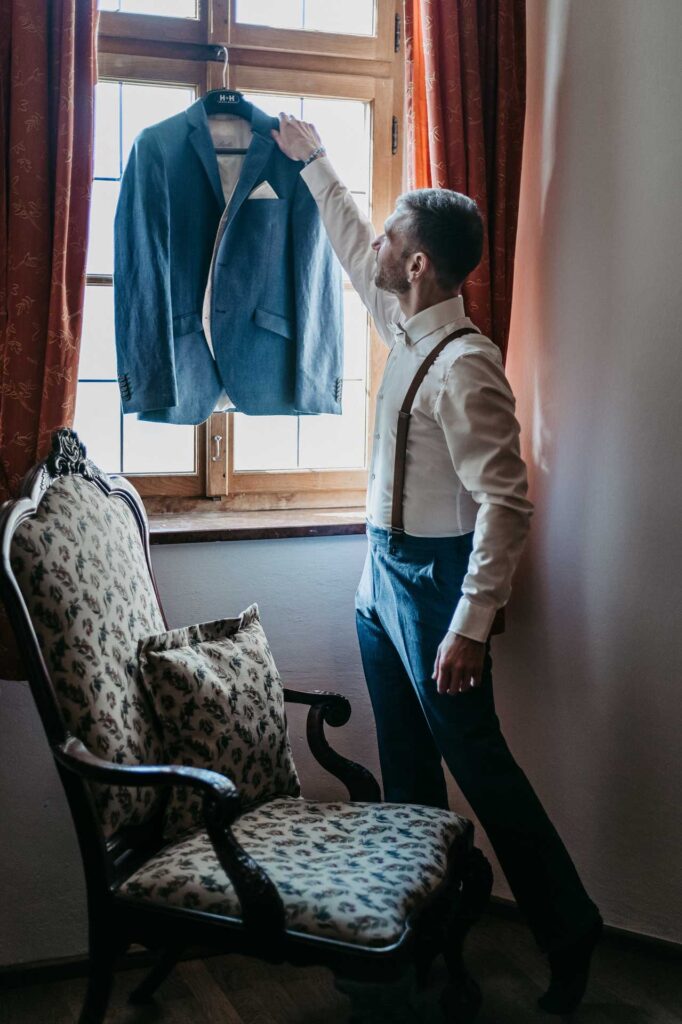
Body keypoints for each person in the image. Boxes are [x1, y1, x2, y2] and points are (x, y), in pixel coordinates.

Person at [272, 114, 602, 1015]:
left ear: (419, 263)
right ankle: (413, 948)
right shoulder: (405, 324)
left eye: (393, 238)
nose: (377, 244)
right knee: (409, 769)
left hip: (433, 585)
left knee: (480, 766)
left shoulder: (465, 365)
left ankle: (570, 928)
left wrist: (467, 622)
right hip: (380, 580)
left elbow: (507, 501)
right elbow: (349, 246)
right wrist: (314, 163)